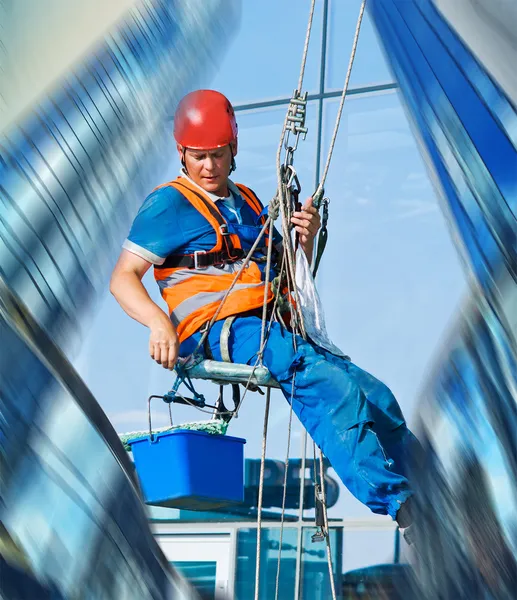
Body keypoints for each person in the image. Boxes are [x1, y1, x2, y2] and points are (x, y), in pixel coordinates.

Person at [110, 89, 417, 530]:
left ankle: (435, 490)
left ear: (233, 150)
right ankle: (404, 509)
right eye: (198, 156)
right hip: (220, 330)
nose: (209, 167)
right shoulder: (168, 205)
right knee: (328, 386)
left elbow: (289, 276)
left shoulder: (250, 203)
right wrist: (158, 321)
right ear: (182, 154)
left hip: (274, 323)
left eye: (217, 155)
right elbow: (122, 278)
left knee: (376, 397)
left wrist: (303, 242)